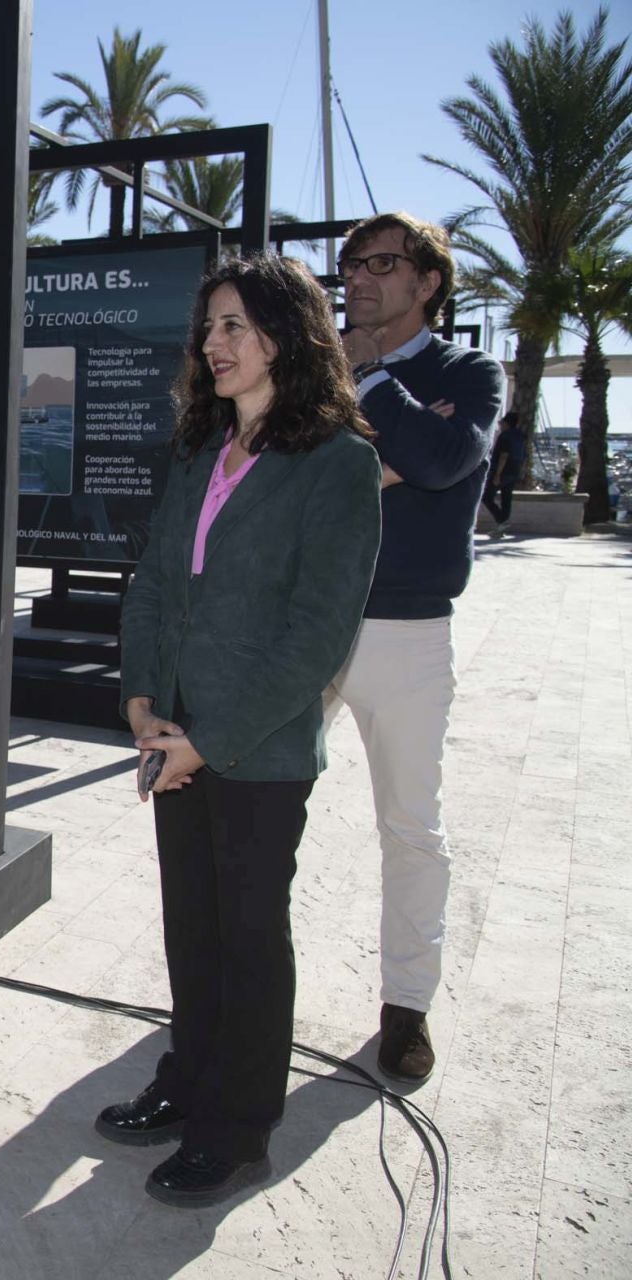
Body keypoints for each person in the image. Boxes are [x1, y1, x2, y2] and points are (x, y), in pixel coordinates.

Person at [96, 254, 382, 1207]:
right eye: (207, 328)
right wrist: (140, 702)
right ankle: (190, 1078)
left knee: (250, 936)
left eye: (233, 326)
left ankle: (239, 1126)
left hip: (254, 751)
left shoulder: (338, 462)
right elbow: (151, 586)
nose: (212, 345)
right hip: (170, 733)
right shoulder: (197, 448)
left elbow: (318, 634)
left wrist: (207, 742)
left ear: (287, 333)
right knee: (192, 927)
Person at [329, 212, 506, 1086]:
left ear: (428, 281)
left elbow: (444, 460)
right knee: (259, 808)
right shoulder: (314, 371)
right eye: (351, 263)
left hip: (408, 629)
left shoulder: (469, 373)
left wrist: (372, 386)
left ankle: (406, 1009)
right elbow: (289, 472)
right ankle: (242, 990)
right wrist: (386, 445)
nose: (358, 277)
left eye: (382, 263)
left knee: (411, 826)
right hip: (309, 621)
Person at [483, 411, 526, 532]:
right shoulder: (520, 437)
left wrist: (497, 474)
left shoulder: (505, 436)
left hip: (503, 472)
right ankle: (502, 527)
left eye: (501, 423)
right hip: (514, 471)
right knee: (506, 498)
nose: (500, 425)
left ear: (507, 424)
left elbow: (503, 456)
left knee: (486, 497)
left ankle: (502, 520)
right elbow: (523, 456)